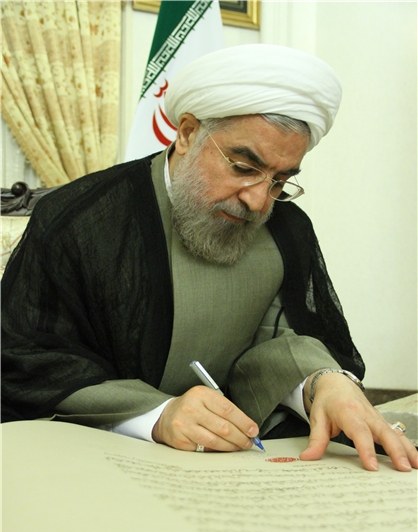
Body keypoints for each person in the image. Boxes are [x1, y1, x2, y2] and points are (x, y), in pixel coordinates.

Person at [2, 45, 417, 473]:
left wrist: (321, 383)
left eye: (279, 180)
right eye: (243, 167)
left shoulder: (287, 228)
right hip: (100, 460)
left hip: (235, 466)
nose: (258, 201)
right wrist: (156, 414)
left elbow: (277, 337)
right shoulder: (82, 219)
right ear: (186, 133)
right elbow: (26, 357)